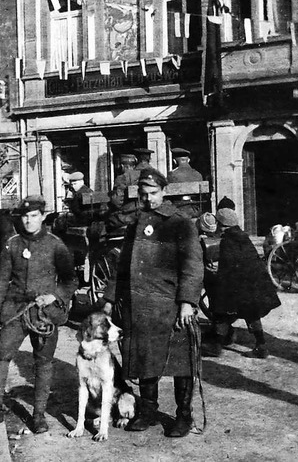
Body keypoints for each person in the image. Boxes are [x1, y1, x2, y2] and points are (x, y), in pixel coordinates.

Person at [103, 169, 204, 438]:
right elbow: (122, 264)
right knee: (144, 357)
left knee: (181, 361)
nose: (148, 199)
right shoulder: (136, 223)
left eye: (153, 194)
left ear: (164, 192)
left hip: (171, 304)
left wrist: (187, 302)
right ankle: (148, 410)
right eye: (144, 195)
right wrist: (110, 299)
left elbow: (193, 266)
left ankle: (183, 415)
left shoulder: (180, 223)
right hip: (141, 304)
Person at [0, 196, 77, 433]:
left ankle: (39, 415)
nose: (29, 221)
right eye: (25, 216)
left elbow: (70, 280)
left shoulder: (56, 245)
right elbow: (1, 279)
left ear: (43, 217)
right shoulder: (12, 244)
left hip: (44, 313)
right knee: (1, 354)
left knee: (43, 362)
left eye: (34, 216)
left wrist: (54, 296)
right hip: (15, 310)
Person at [203, 208, 281, 359]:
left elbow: (227, 268)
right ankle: (261, 346)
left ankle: (216, 345)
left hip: (240, 285)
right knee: (251, 314)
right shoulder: (243, 237)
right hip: (254, 284)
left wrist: (216, 277)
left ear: (222, 225)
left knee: (221, 309)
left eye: (218, 223)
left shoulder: (227, 241)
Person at [107, 154, 141, 231]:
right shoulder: (141, 175)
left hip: (127, 216)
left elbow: (117, 202)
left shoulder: (121, 178)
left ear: (121, 166)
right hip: (140, 214)